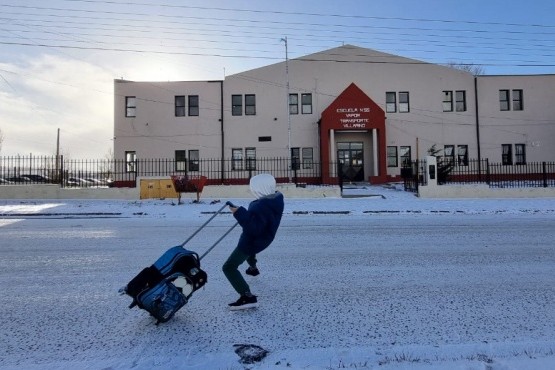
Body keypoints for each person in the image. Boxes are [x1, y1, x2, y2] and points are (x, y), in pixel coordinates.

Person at [222, 173, 284, 310]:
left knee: (229, 267)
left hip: (253, 240)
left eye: (253, 187)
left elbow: (253, 228)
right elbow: (258, 222)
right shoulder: (275, 200)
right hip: (263, 239)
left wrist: (237, 212)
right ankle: (253, 268)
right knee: (251, 250)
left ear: (260, 187)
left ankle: (247, 296)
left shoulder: (262, 205)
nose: (251, 189)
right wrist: (242, 212)